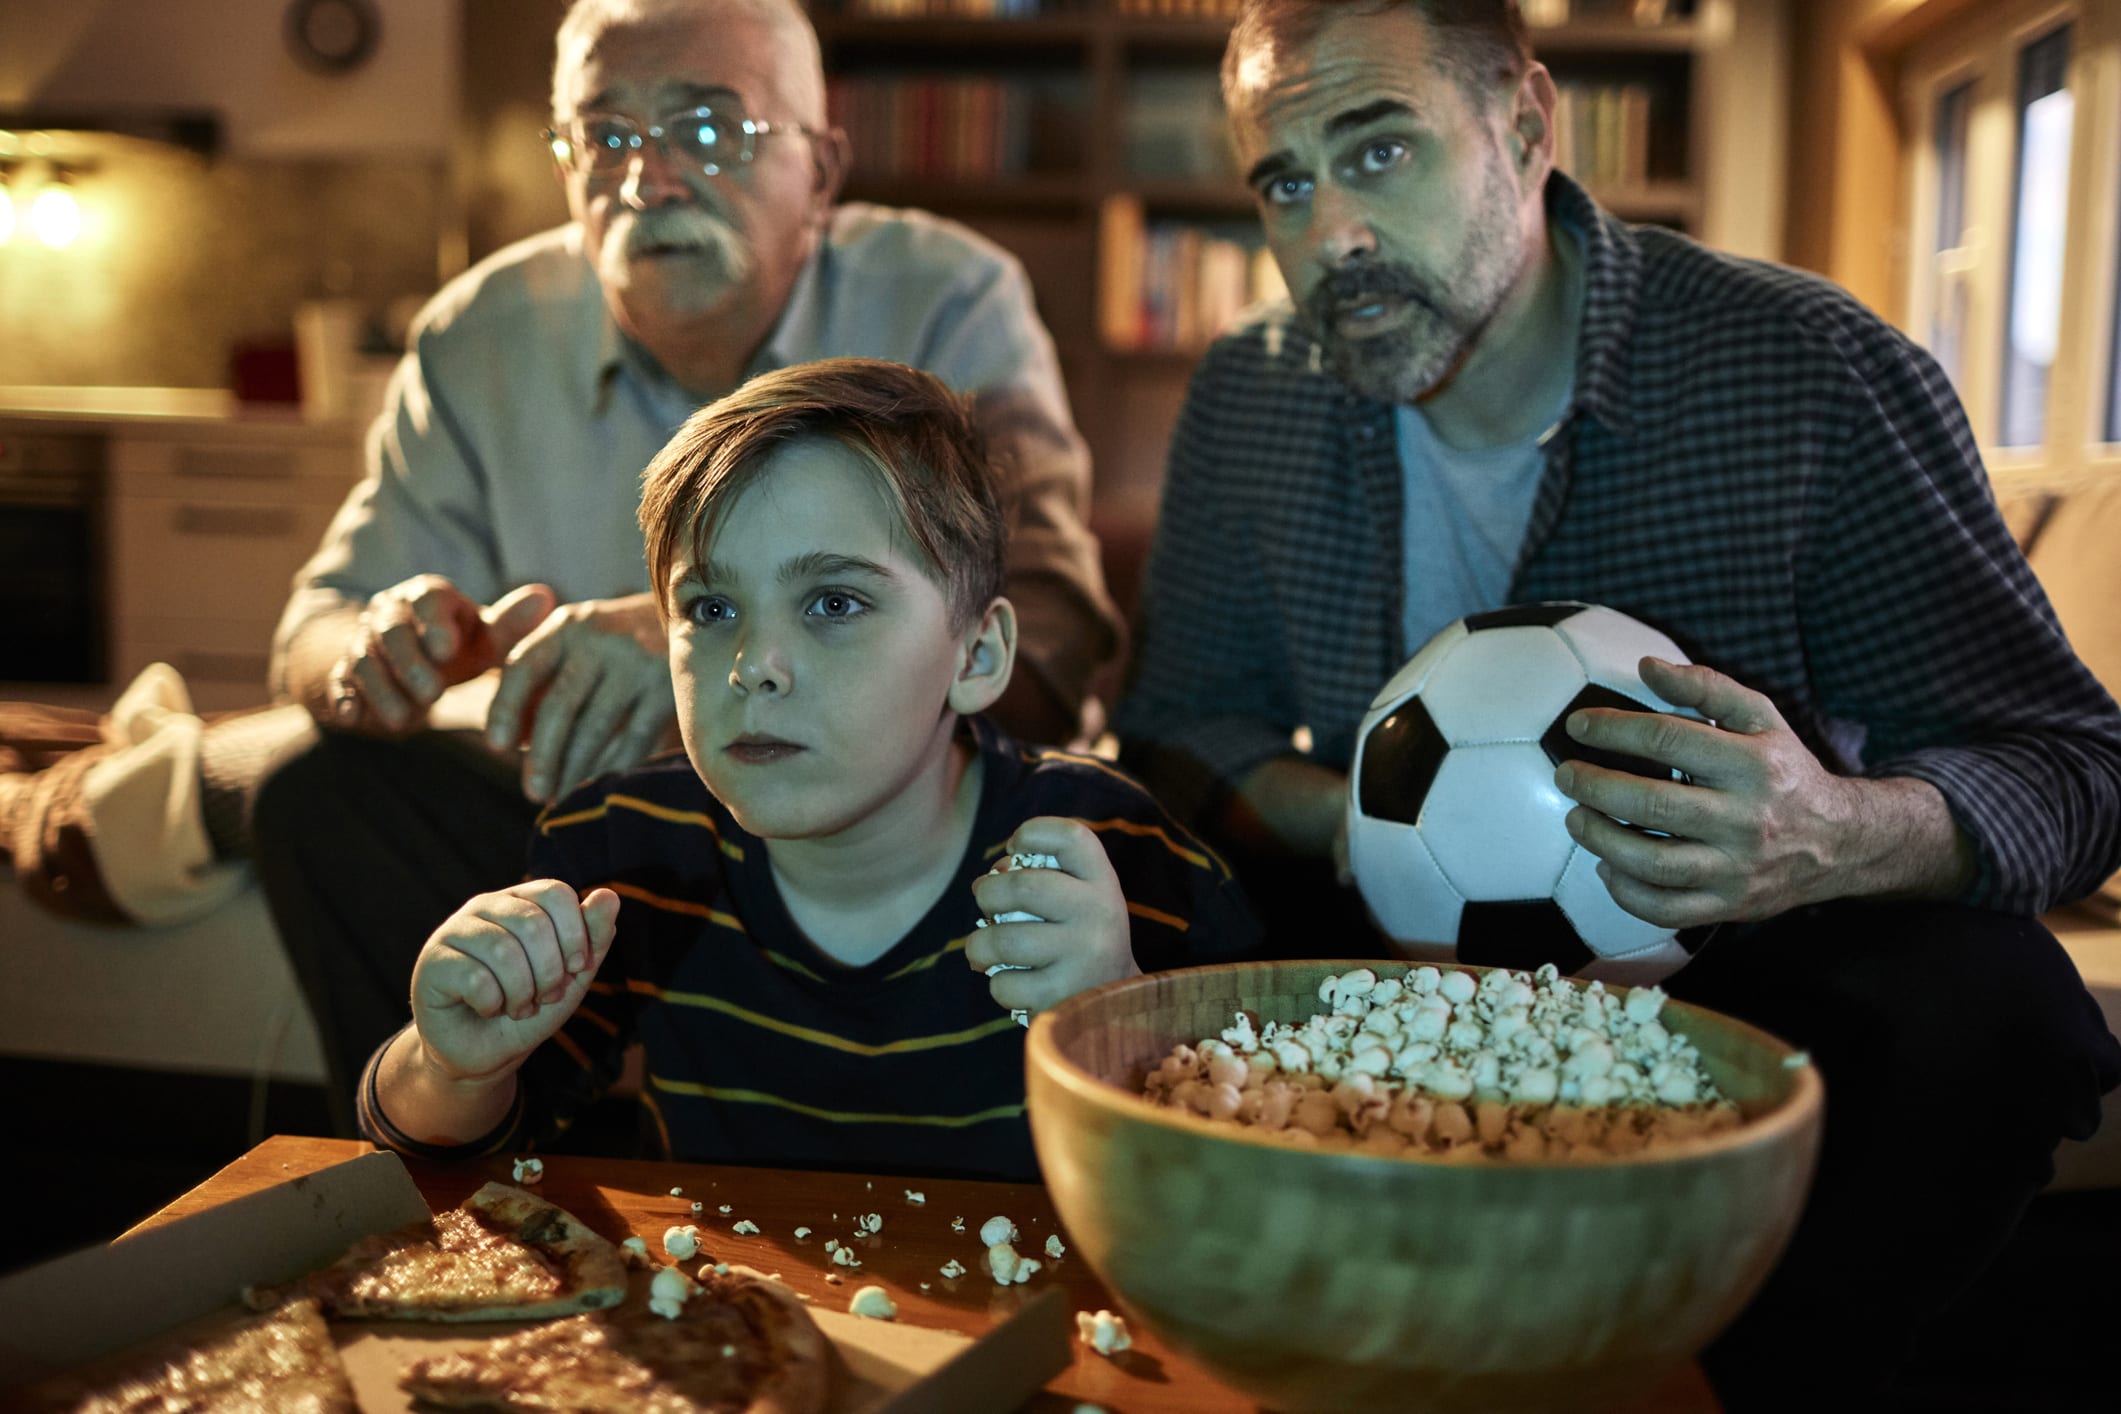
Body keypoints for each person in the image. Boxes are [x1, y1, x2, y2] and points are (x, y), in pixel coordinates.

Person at [1111, 0, 2121, 1404]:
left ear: (1526, 125)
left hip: (1736, 956)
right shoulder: (1251, 396)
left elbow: (2073, 762)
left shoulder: (1806, 374)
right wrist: (1340, 820)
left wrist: (1833, 828)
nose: (1328, 231)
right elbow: (1174, 716)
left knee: (2005, 1009)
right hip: (1388, 946)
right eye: (1283, 181)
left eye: (1379, 150)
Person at [254, 0, 1122, 1131]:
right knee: (315, 794)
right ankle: (461, 1177)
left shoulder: (948, 294)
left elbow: (1050, 630)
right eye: (605, 137)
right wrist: (383, 654)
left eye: (708, 131)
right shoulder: (480, 331)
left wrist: (666, 640)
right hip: (598, 825)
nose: (648, 178)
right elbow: (310, 632)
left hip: (879, 804)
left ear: (821, 169)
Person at [357, 358, 1255, 1179]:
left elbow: (1272, 1160)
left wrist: (1122, 1014)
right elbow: (448, 1149)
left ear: (977, 656)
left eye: (833, 601)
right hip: (740, 1339)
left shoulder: (1115, 855)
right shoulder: (629, 853)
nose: (754, 665)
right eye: (709, 607)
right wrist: (447, 1065)